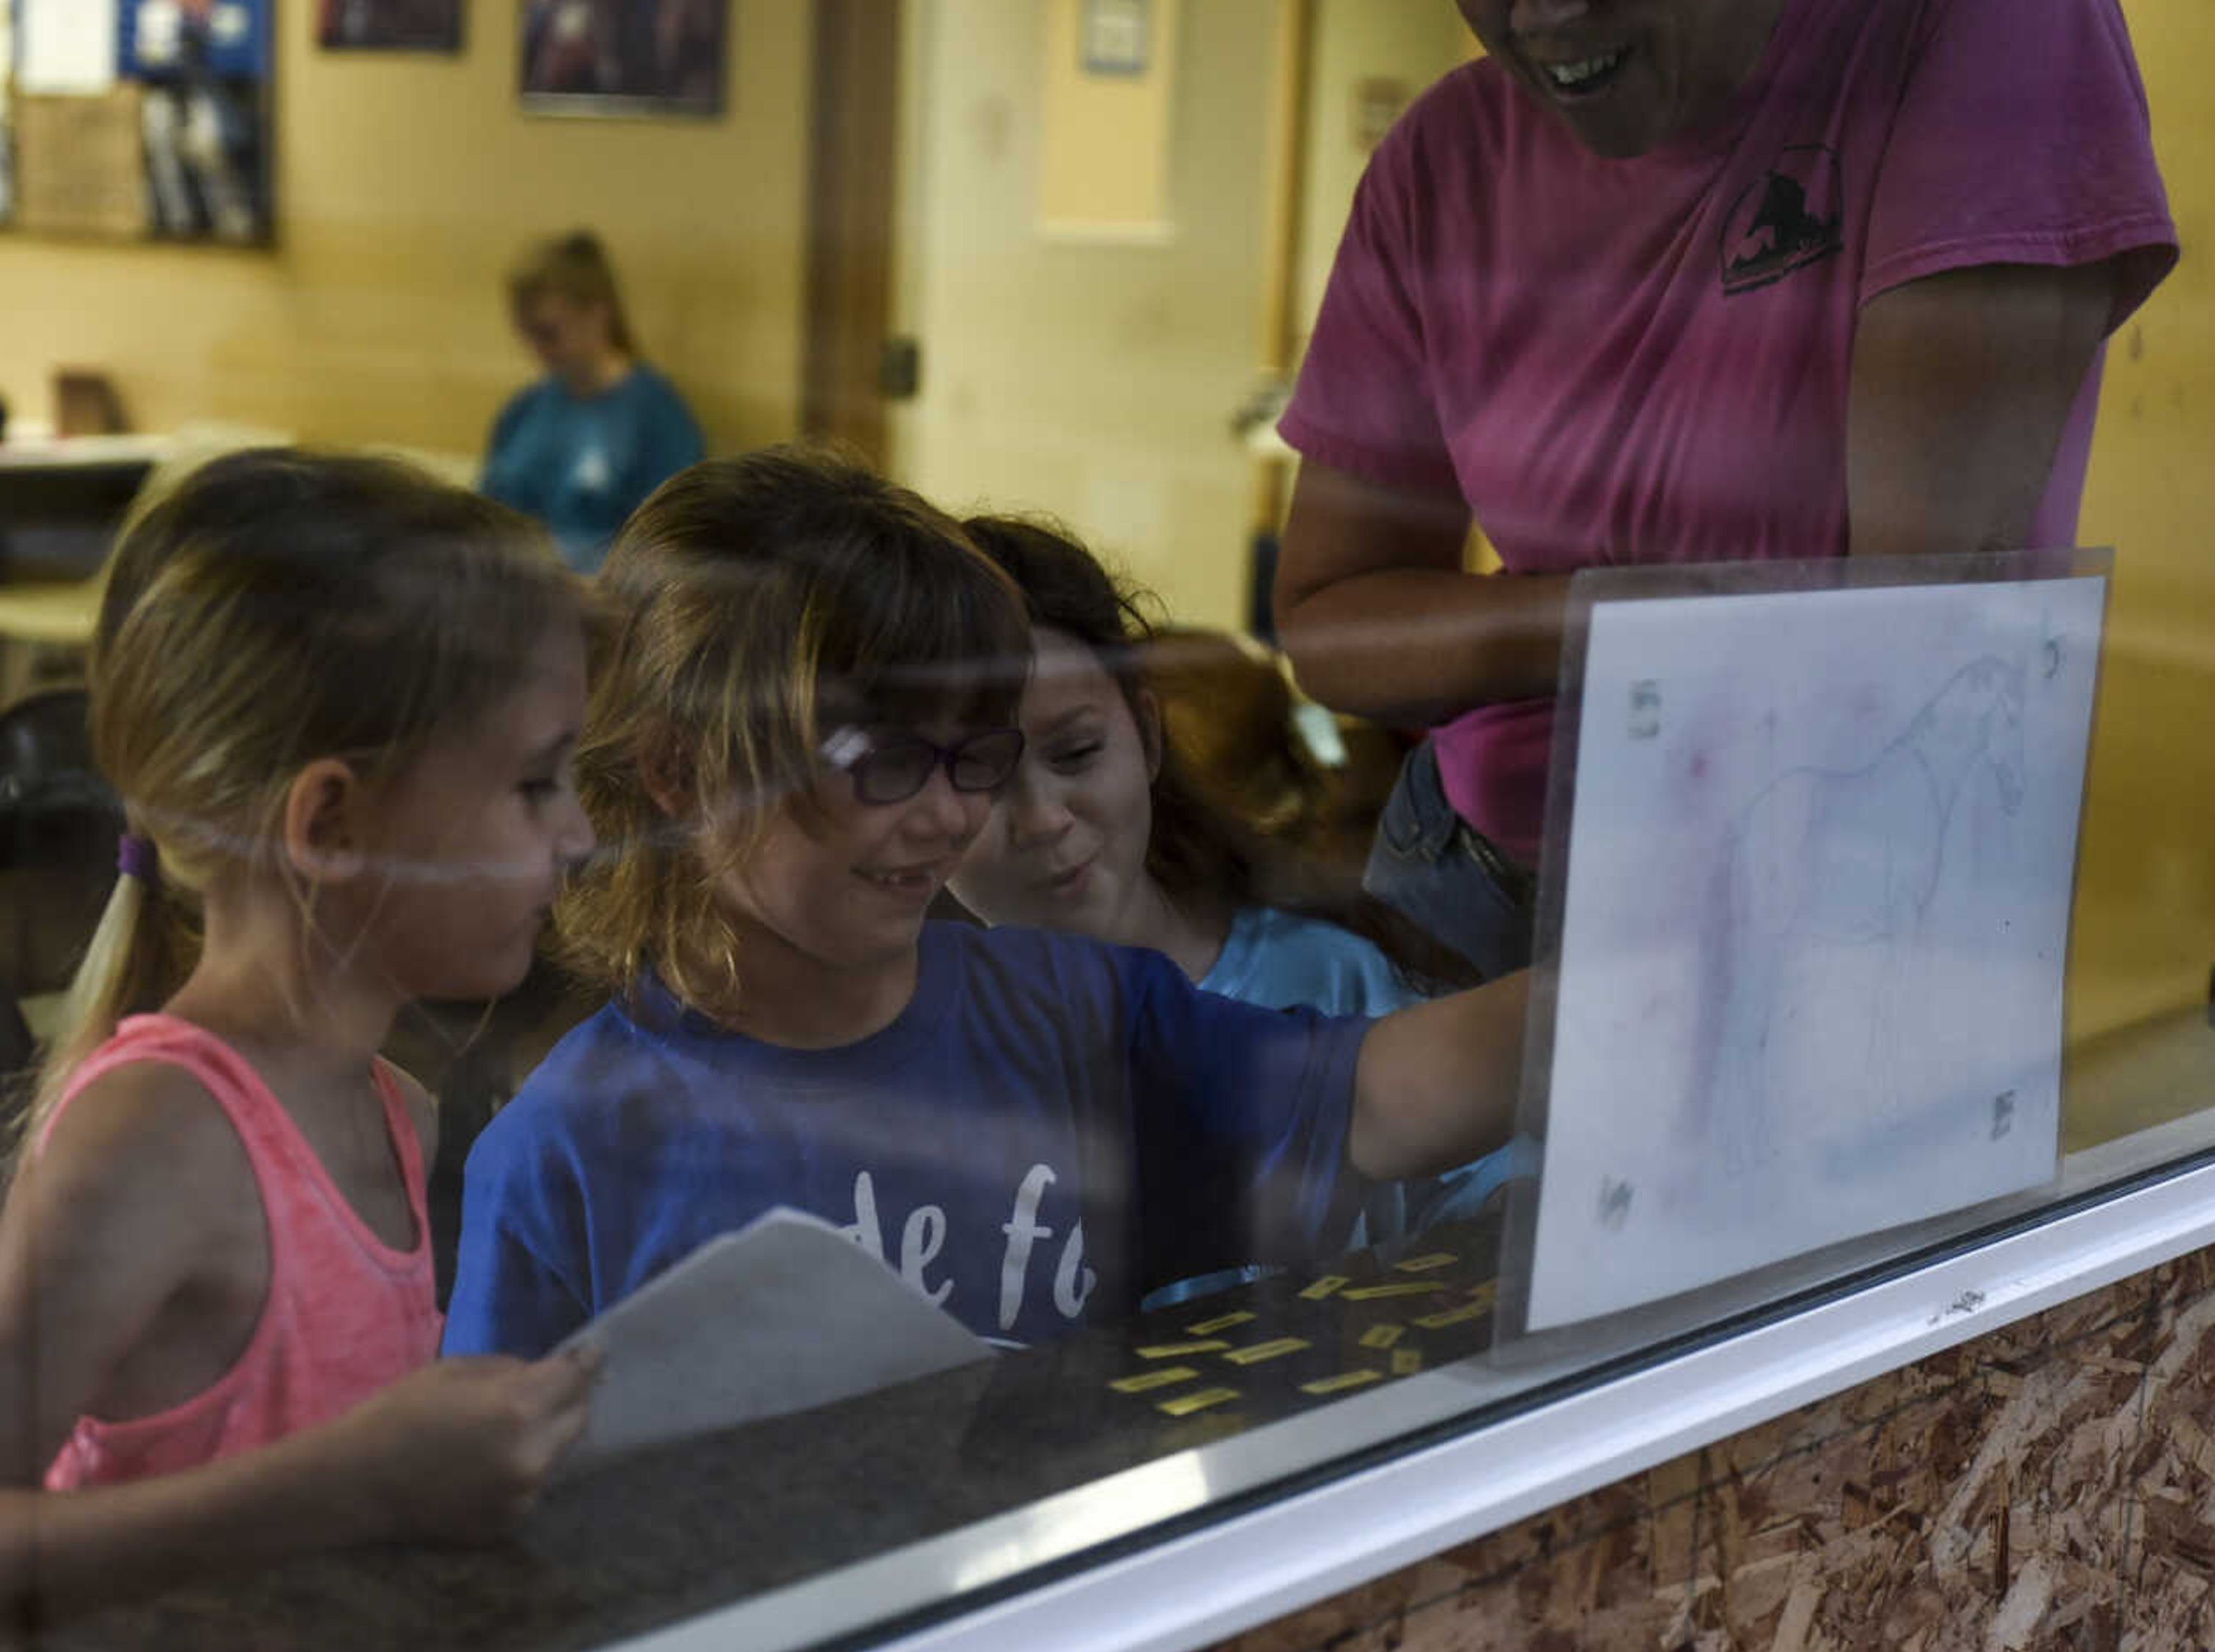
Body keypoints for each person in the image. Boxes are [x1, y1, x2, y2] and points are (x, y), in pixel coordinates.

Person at [1270, 0, 2178, 978]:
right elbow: (1332, 624)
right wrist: (1628, 614)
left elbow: (1919, 622)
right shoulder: (1440, 160)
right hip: (1477, 881)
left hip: (1838, 905)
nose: (1544, 6)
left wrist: (1612, 624)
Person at [444, 447, 1530, 1360]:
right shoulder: (567, 1153)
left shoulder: (1075, 1017)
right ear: (682, 771)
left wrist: (1649, 984)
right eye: (884, 758)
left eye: (975, 757)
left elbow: (1377, 1103)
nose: (948, 815)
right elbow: (510, 1535)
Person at [0, 451, 599, 1652]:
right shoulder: (161, 1137)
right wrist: (348, 1488)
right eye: (533, 785)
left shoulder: (394, 1113)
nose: (579, 834)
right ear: (329, 822)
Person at [944, 516, 1519, 1290]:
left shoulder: (1333, 979)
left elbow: (1501, 1201)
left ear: (1146, 736)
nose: (1044, 815)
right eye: (981, 774)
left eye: (1078, 752)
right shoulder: (907, 1043)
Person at [480, 231, 706, 572]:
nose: (536, 349)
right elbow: (485, 518)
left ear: (597, 313)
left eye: (549, 333)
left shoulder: (655, 416)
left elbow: (674, 543)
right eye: (526, 333)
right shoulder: (524, 411)